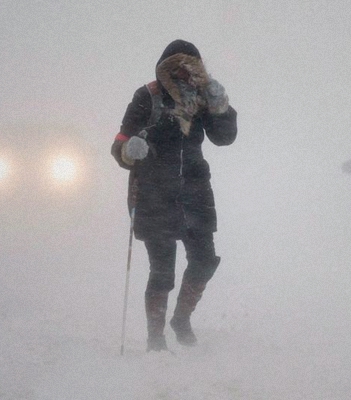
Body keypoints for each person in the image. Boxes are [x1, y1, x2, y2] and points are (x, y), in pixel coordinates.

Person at [111, 40, 237, 352]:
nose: (184, 72)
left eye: (191, 66)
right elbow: (120, 145)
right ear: (167, 67)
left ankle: (181, 318)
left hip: (195, 192)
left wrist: (222, 108)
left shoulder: (203, 97)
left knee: (205, 260)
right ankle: (156, 338)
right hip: (155, 193)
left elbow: (224, 138)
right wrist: (129, 150)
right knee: (162, 270)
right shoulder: (148, 96)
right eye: (177, 66)